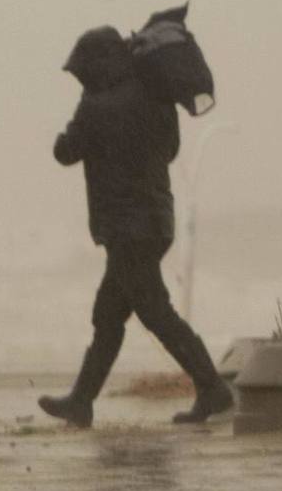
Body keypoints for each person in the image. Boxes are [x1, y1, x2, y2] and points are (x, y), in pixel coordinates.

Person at [39, 26, 232, 427]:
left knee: (155, 314)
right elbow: (172, 149)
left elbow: (64, 152)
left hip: (126, 230)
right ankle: (81, 401)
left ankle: (212, 386)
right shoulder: (154, 93)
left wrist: (80, 115)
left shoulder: (95, 105)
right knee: (109, 314)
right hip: (157, 222)